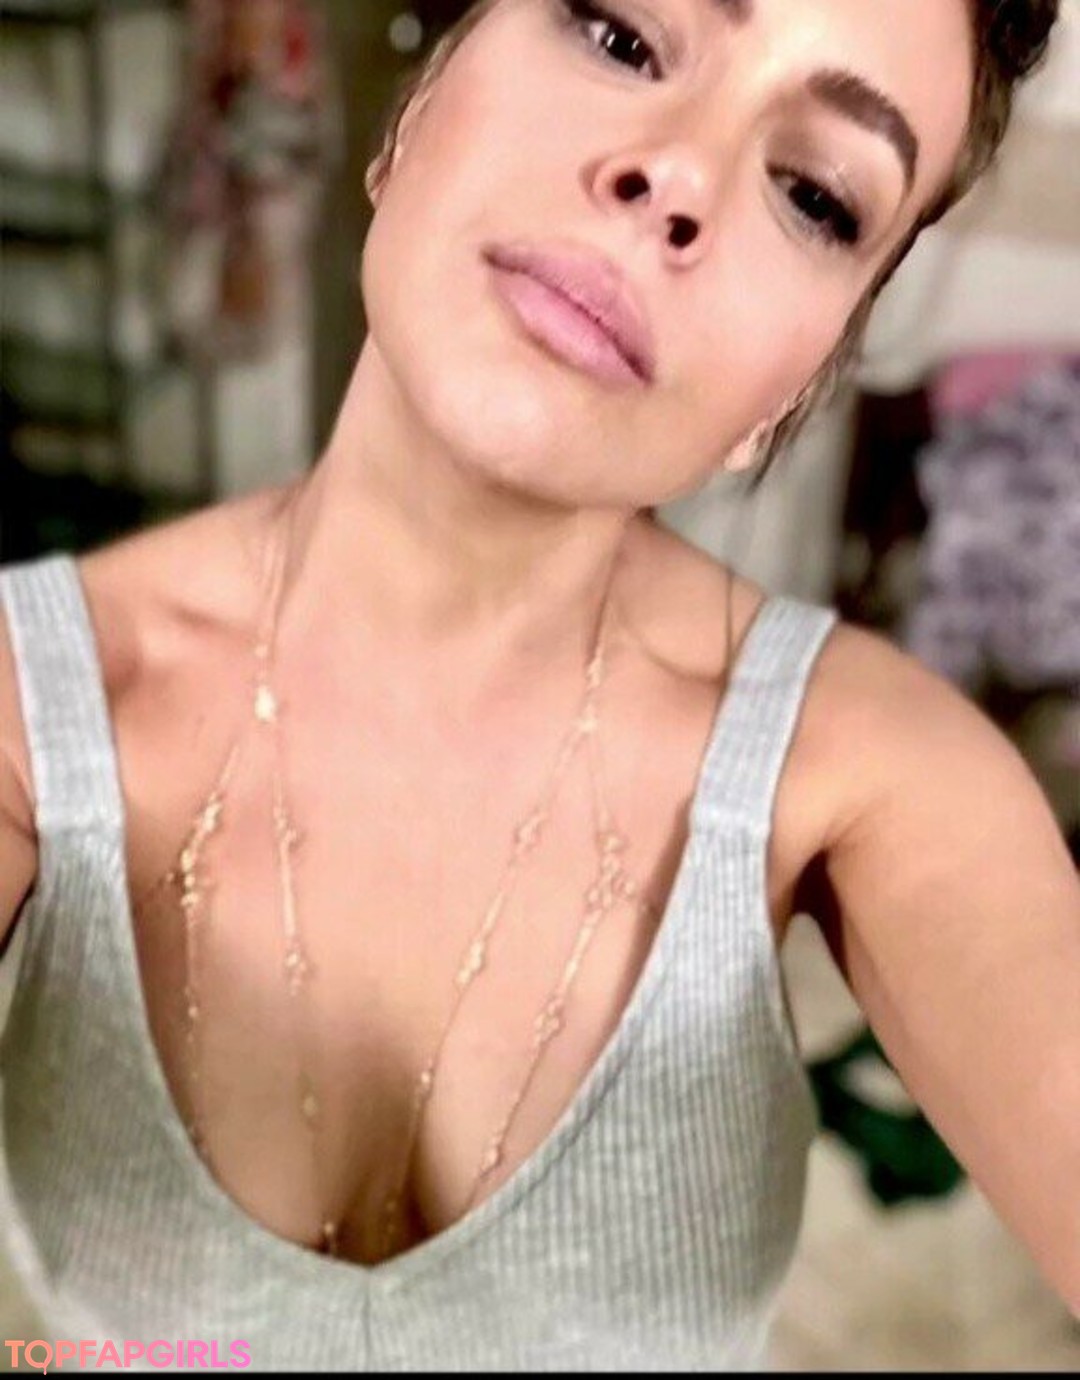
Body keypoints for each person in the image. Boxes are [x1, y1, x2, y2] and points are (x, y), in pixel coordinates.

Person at [0, 0, 1076, 1368]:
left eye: (814, 193)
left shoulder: (877, 779)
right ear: (410, 119)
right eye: (623, 36)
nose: (677, 178)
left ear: (788, 394)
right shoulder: (38, 701)